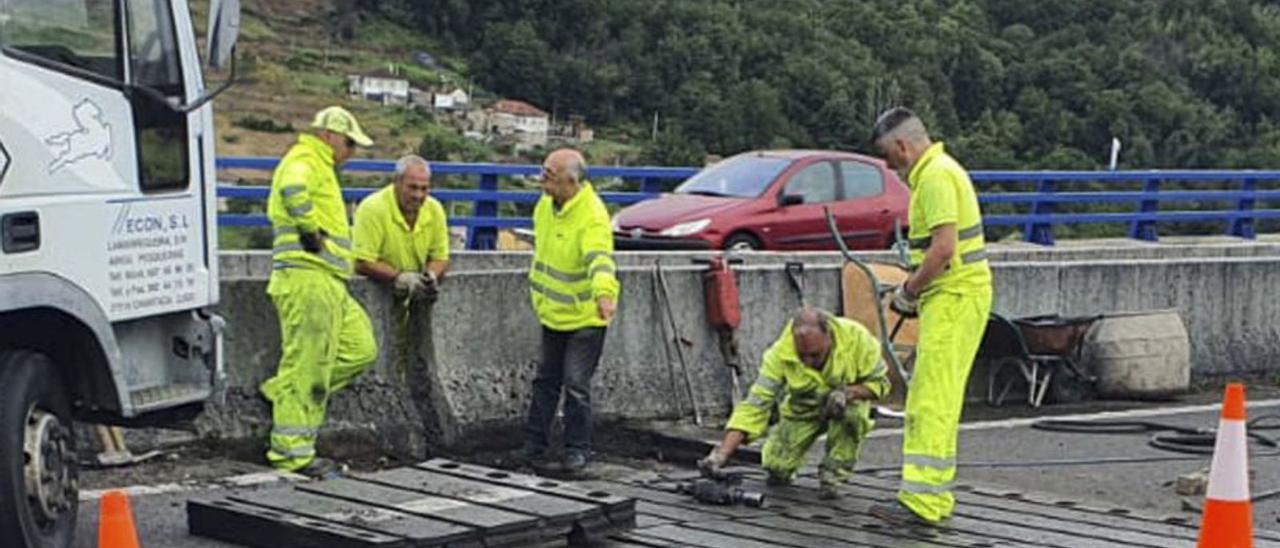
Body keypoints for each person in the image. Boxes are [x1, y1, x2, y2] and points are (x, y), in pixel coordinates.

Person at [867, 107, 993, 525]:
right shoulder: (939, 171)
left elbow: (943, 249)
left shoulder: (936, 176)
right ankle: (929, 497)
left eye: (891, 158)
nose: (892, 168)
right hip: (953, 296)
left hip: (954, 296)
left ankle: (924, 502)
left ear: (903, 146)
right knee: (933, 396)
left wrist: (908, 290)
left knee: (931, 400)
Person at [260, 106, 379, 478]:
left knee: (361, 350)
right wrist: (310, 230)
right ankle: (292, 454)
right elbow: (293, 187)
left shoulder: (321, 166)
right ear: (329, 135)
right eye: (349, 143)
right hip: (307, 278)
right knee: (306, 366)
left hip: (329, 281)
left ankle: (281, 390)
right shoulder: (306, 157)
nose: (352, 152)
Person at [698, 307, 890, 500]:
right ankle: (782, 467)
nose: (808, 361)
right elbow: (756, 405)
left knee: (853, 416)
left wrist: (848, 393)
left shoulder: (858, 340)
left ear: (830, 336)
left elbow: (881, 385)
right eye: (802, 355)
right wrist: (721, 454)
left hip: (846, 406)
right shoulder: (779, 354)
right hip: (803, 410)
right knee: (776, 467)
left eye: (815, 355)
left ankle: (833, 476)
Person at [522, 148, 620, 473]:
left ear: (571, 181)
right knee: (545, 380)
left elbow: (599, 258)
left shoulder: (591, 215)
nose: (542, 180)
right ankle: (534, 445)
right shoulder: (545, 206)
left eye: (549, 175)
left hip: (584, 316)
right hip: (553, 313)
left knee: (576, 383)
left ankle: (578, 449)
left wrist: (604, 293)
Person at [352, 155, 450, 299]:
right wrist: (400, 278)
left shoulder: (435, 209)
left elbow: (441, 257)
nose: (418, 195)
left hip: (417, 298)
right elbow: (362, 261)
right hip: (372, 295)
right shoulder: (372, 208)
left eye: (424, 189)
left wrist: (430, 277)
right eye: (412, 187)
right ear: (396, 182)